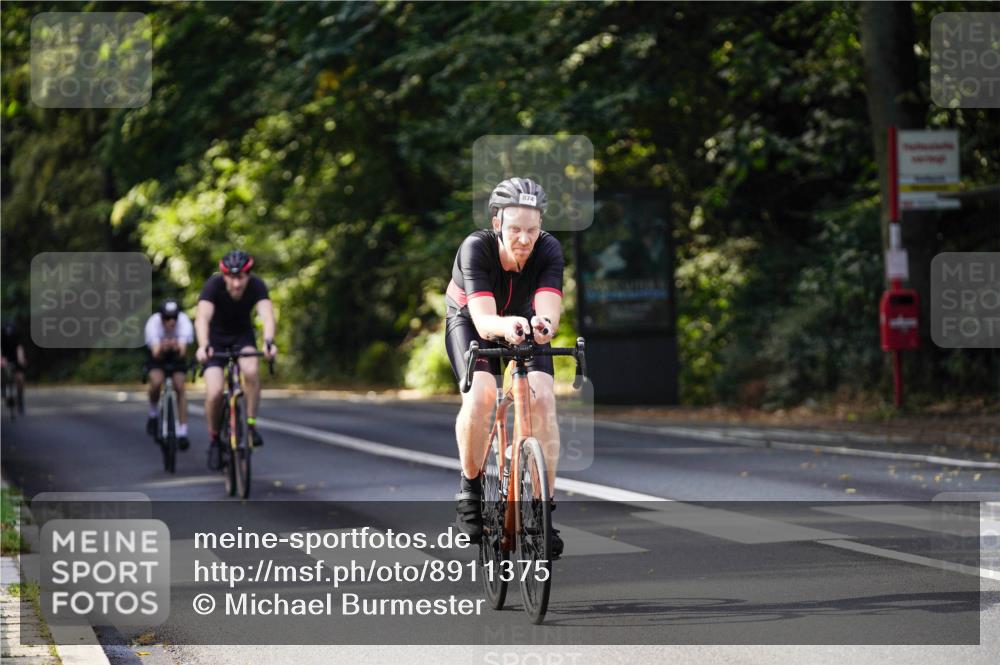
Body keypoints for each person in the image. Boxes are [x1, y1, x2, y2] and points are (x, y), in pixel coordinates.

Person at [444, 177, 566, 558]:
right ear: (497, 223)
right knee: (482, 395)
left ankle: (544, 511)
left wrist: (543, 327)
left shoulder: (549, 249)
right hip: (471, 319)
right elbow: (484, 322)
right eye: (515, 229)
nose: (524, 239)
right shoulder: (476, 248)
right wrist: (507, 325)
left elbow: (548, 312)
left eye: (532, 229)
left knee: (543, 400)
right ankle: (470, 490)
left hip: (523, 322)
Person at [195, 250, 277, 471]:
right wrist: (203, 345)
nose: (237, 283)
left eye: (241, 277)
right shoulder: (213, 285)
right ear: (224, 276)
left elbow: (267, 315)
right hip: (215, 340)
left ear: (248, 275)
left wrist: (269, 342)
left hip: (242, 337)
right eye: (232, 277)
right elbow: (202, 317)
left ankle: (250, 425)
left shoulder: (257, 286)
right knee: (214, 392)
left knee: (250, 371)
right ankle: (214, 439)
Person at [143, 299, 194, 449]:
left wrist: (176, 346)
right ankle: (153, 413)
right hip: (158, 357)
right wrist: (162, 347)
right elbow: (155, 353)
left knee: (180, 387)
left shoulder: (184, 322)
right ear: (161, 317)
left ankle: (182, 432)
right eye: (167, 318)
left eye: (174, 317)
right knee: (156, 382)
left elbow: (182, 352)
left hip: (176, 357)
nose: (171, 321)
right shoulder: (153, 324)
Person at [1, 321, 27, 414]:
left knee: (20, 378)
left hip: (15, 358)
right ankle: (3, 390)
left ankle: (20, 400)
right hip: (3, 357)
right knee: (2, 375)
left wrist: (21, 359)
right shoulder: (1, 334)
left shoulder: (17, 335)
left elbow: (19, 348)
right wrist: (1, 359)